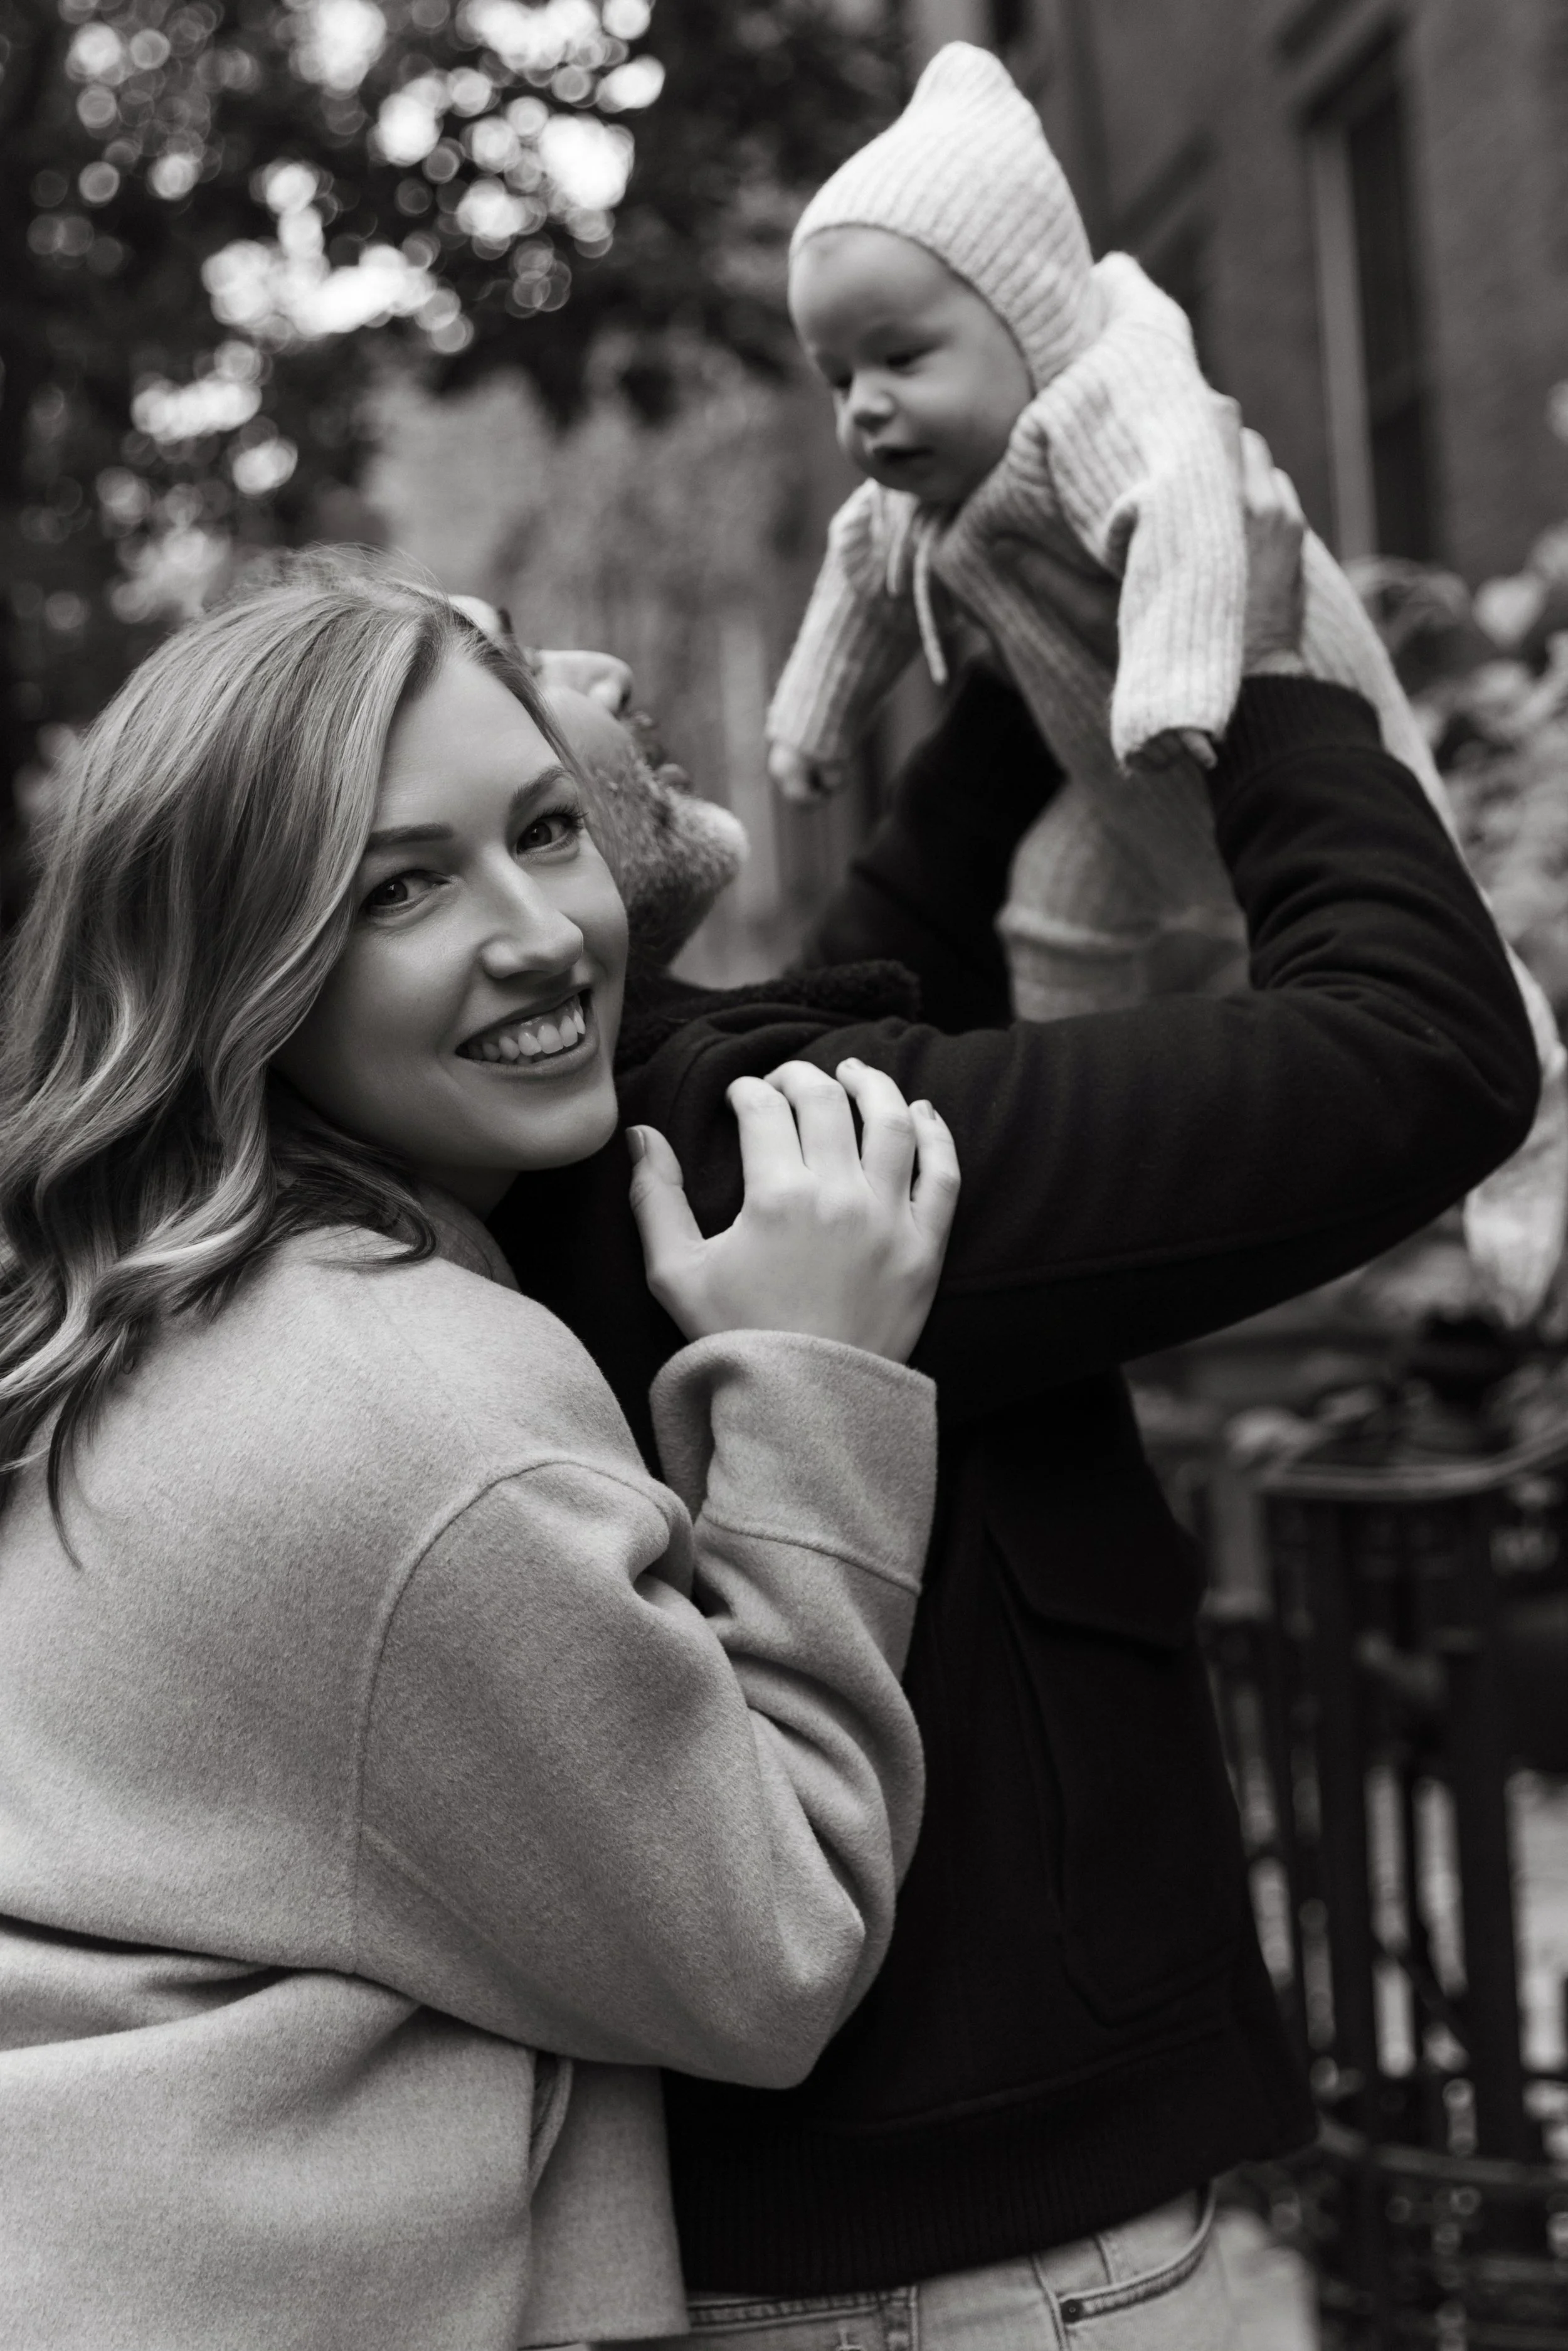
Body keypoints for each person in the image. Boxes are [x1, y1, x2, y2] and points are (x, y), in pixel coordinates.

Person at [490, 447, 1540, 2347]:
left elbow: (861, 980)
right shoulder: (756, 1164)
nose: (597, 666)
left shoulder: (600, 1147)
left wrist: (1009, 643)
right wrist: (1265, 646)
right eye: (520, 670)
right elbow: (1421, 1049)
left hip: (868, 2243)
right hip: (991, 2280)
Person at [0, 563, 964, 2351]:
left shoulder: (137, 1303)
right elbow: (762, 1950)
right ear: (242, 960)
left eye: (547, 828)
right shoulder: (406, 1414)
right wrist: (814, 1376)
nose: (539, 932)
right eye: (402, 888)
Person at [763, 40, 1565, 1326]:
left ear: (1026, 313)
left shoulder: (1109, 406)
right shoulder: (911, 495)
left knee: (1432, 912)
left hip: (1250, 692)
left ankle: (1535, 1112)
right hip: (1106, 770)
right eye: (836, 379)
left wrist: (1181, 684)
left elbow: (1190, 511)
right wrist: (811, 720)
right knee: (1051, 912)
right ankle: (1099, 1104)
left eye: (900, 359)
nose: (863, 408)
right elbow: (853, 580)